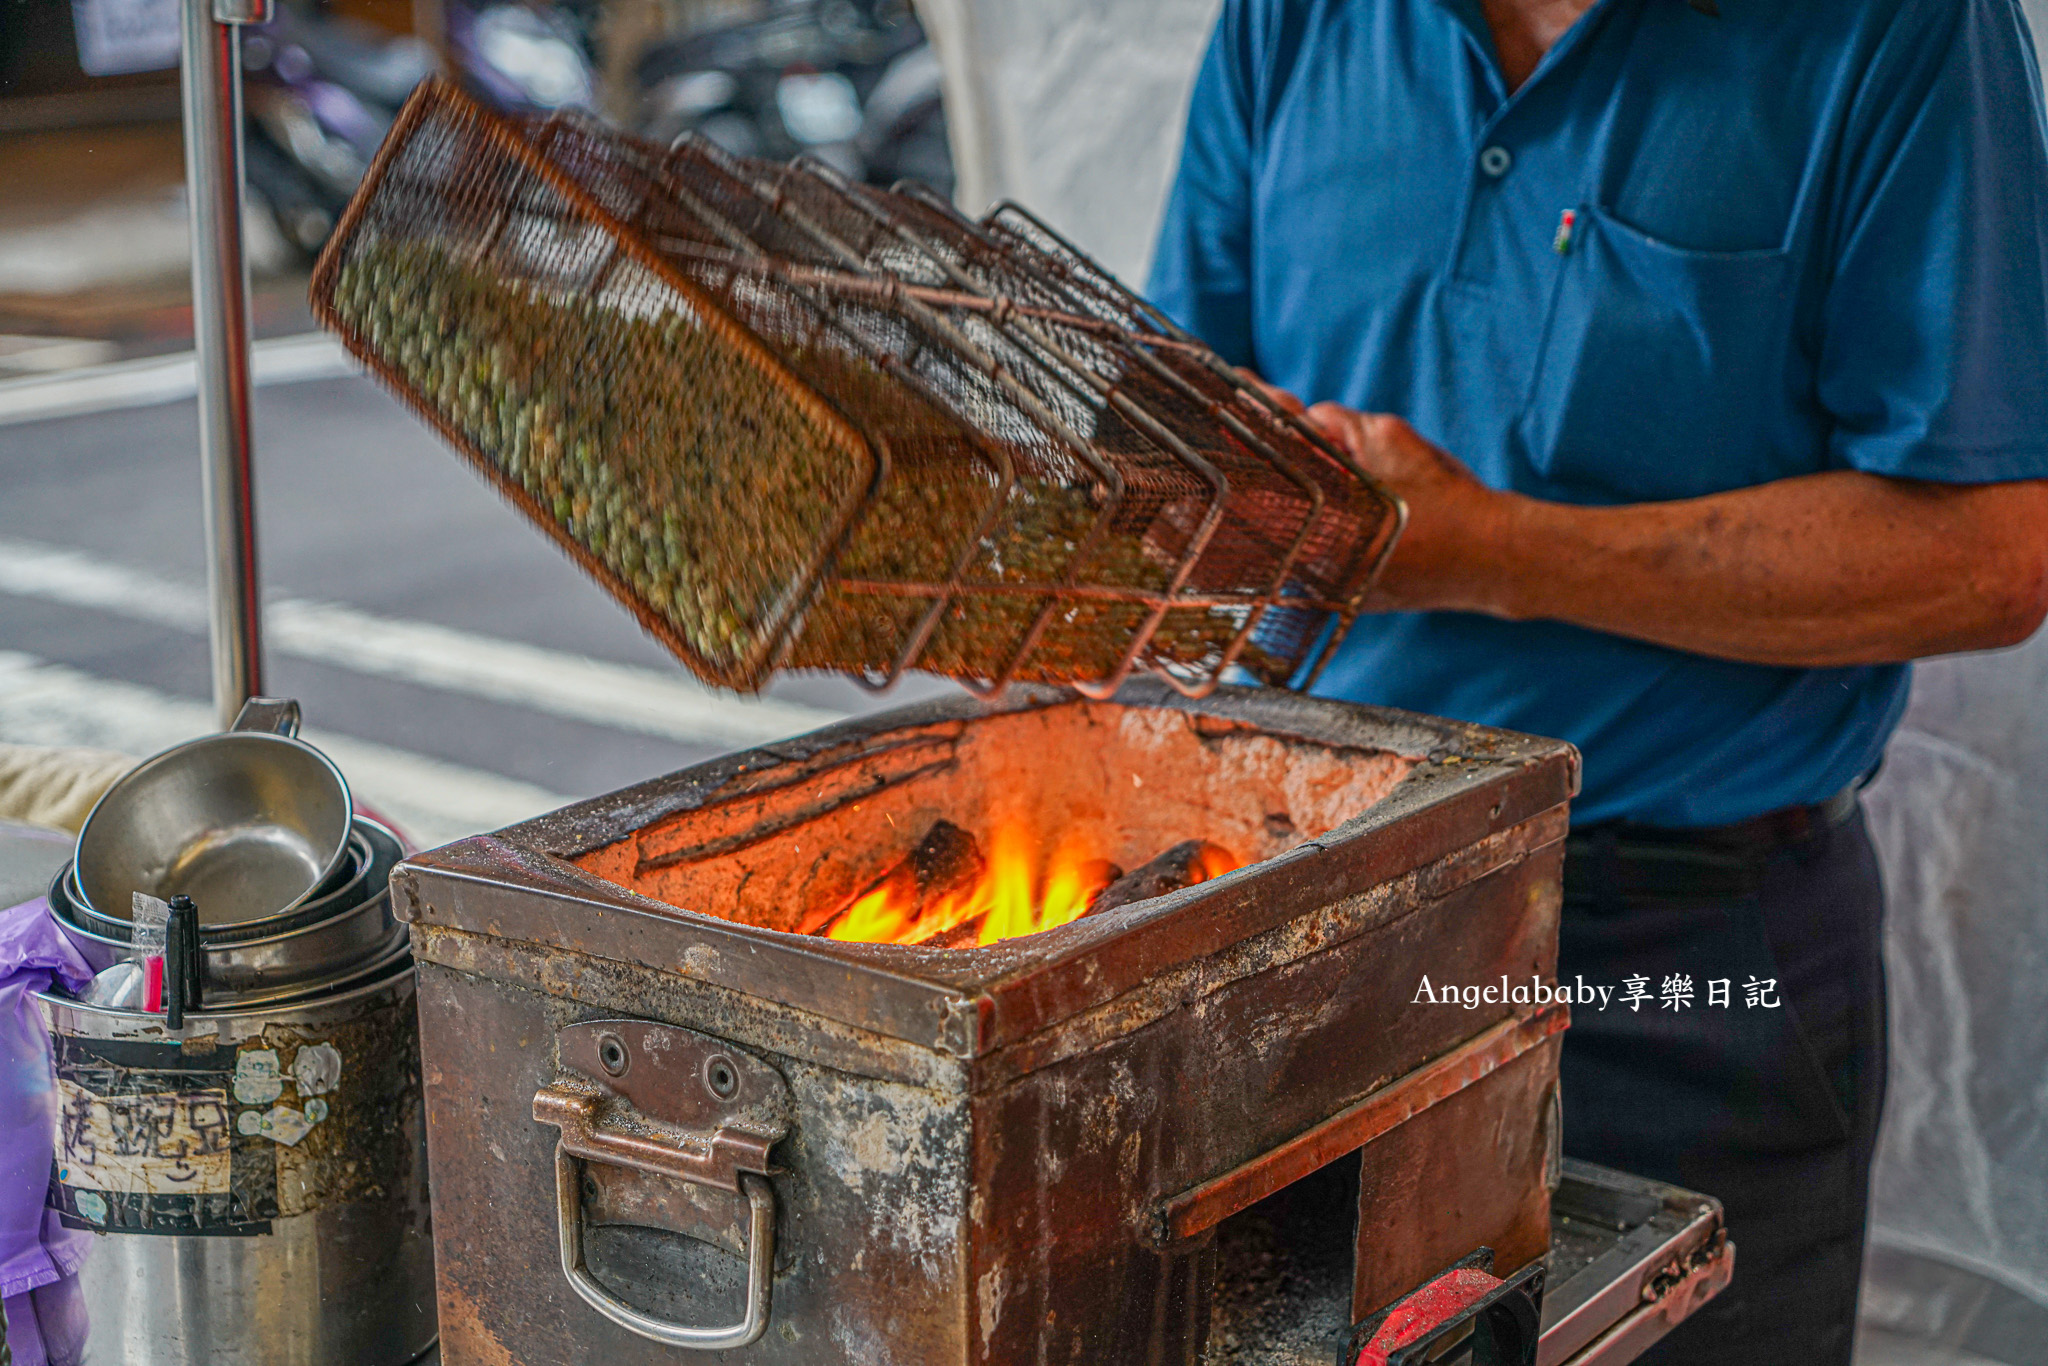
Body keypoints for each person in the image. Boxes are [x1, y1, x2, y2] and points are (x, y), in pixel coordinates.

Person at [1147, 1, 2048, 1362]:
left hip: (1681, 956)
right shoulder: (1296, 18)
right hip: (1312, 911)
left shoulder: (1901, 32)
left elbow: (1994, 554)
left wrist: (1493, 553)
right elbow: (1180, 426)